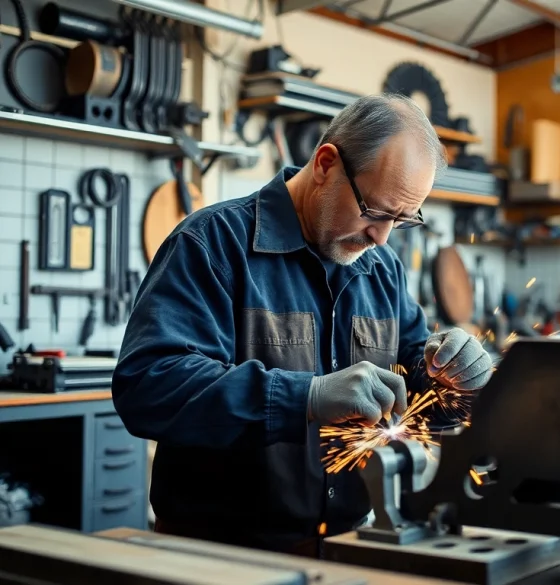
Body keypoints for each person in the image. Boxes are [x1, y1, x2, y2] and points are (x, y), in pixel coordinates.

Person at [111, 93, 493, 557]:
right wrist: (305, 397)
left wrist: (453, 376)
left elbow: (413, 392)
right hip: (219, 557)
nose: (382, 237)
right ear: (326, 164)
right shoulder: (212, 245)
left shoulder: (382, 268)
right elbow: (149, 387)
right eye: (374, 211)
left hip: (349, 546)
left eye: (401, 218)